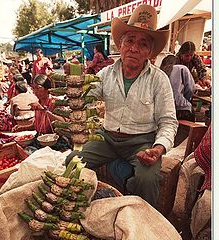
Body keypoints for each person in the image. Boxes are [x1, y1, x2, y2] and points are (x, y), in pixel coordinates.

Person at [65, 4, 178, 207]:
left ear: (150, 52)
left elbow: (168, 121)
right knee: (72, 161)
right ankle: (76, 207)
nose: (134, 48)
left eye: (143, 44)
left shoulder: (159, 80)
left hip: (141, 142)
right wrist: (75, 80)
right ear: (121, 44)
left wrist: (158, 148)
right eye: (130, 40)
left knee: (147, 179)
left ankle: (143, 225)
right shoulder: (105, 74)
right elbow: (84, 98)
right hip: (106, 138)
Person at [160, 54, 196, 121]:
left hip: (165, 110)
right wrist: (183, 99)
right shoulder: (182, 68)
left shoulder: (160, 72)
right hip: (182, 110)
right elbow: (191, 89)